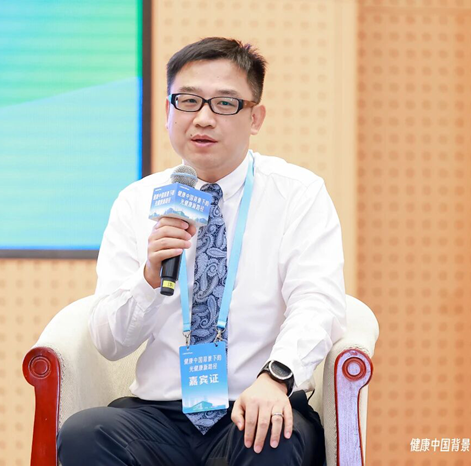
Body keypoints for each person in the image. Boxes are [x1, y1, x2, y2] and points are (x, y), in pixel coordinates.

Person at [57, 37, 347, 466]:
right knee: (85, 434)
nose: (203, 118)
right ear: (168, 111)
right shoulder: (137, 202)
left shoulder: (297, 194)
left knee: (272, 437)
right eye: (188, 101)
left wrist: (276, 378)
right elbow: (109, 341)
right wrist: (149, 277)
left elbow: (317, 301)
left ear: (255, 117)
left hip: (256, 402)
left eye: (224, 104)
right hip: (160, 414)